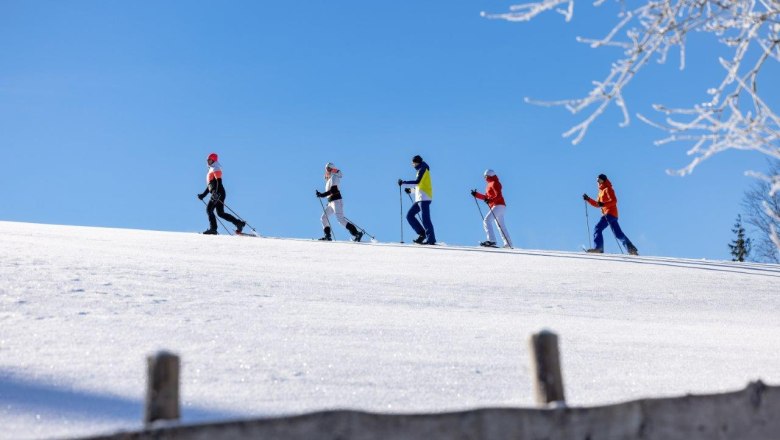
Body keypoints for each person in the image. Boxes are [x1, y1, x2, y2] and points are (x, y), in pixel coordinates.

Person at [583, 174, 639, 255]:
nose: (597, 181)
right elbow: (597, 204)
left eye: (599, 179)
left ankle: (598, 248)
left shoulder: (608, 189)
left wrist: (603, 204)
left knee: (597, 228)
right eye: (597, 180)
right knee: (618, 234)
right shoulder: (600, 192)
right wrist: (588, 199)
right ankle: (632, 250)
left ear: (604, 180)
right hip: (612, 215)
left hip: (609, 213)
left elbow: (614, 201)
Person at [197, 153, 245, 235]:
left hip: (218, 192)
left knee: (209, 209)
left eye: (210, 160)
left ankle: (213, 229)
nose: (208, 161)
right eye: (207, 160)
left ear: (214, 160)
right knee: (220, 213)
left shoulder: (216, 167)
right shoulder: (211, 169)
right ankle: (238, 223)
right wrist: (203, 195)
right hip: (219, 192)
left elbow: (219, 181)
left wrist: (215, 193)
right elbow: (210, 186)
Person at [316, 162, 364, 242]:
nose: (327, 170)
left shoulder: (335, 177)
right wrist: (327, 199)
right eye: (326, 169)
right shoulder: (329, 179)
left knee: (340, 220)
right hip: (331, 202)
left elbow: (333, 190)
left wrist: (322, 195)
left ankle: (357, 233)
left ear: (332, 169)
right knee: (324, 218)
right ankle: (327, 236)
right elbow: (330, 192)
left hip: (336, 201)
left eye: (329, 168)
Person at [398, 155, 436, 245]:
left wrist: (404, 183)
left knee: (425, 219)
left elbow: (417, 182)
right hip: (420, 198)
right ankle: (422, 234)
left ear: (416, 162)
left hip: (424, 198)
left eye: (413, 163)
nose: (412, 164)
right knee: (409, 216)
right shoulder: (420, 170)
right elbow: (420, 186)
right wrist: (410, 191)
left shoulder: (423, 169)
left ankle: (431, 240)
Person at [471, 169, 513, 248]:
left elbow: (498, 195)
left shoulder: (494, 183)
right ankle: (508, 243)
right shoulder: (489, 184)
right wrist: (476, 194)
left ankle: (492, 240)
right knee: (500, 225)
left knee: (487, 220)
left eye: (485, 176)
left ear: (488, 175)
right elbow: (486, 197)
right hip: (499, 205)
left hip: (498, 205)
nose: (484, 178)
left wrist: (490, 200)